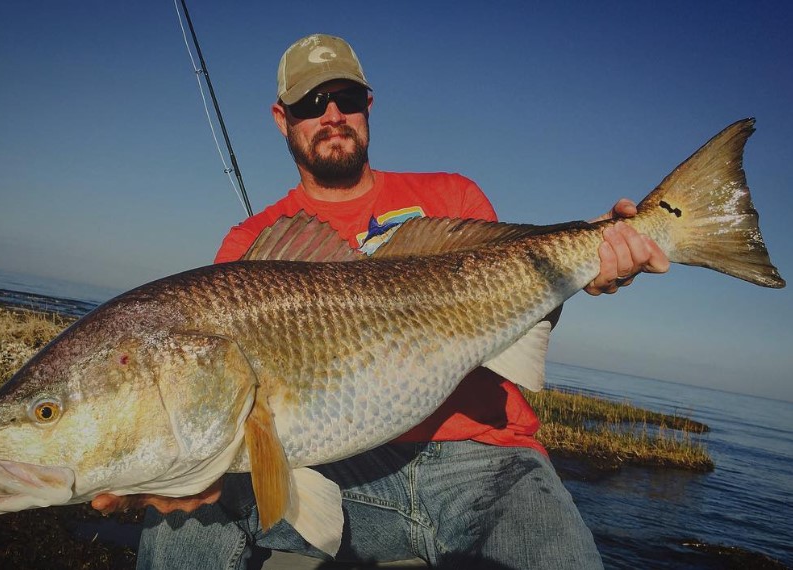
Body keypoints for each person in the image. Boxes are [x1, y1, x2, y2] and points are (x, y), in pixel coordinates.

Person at [93, 34, 669, 569]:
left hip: (489, 456)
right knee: (181, 521)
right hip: (342, 465)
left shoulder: (451, 197)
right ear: (281, 119)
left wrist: (596, 261)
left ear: (368, 104)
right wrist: (181, 472)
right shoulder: (248, 247)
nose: (331, 115)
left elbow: (518, 315)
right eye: (310, 103)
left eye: (345, 97)